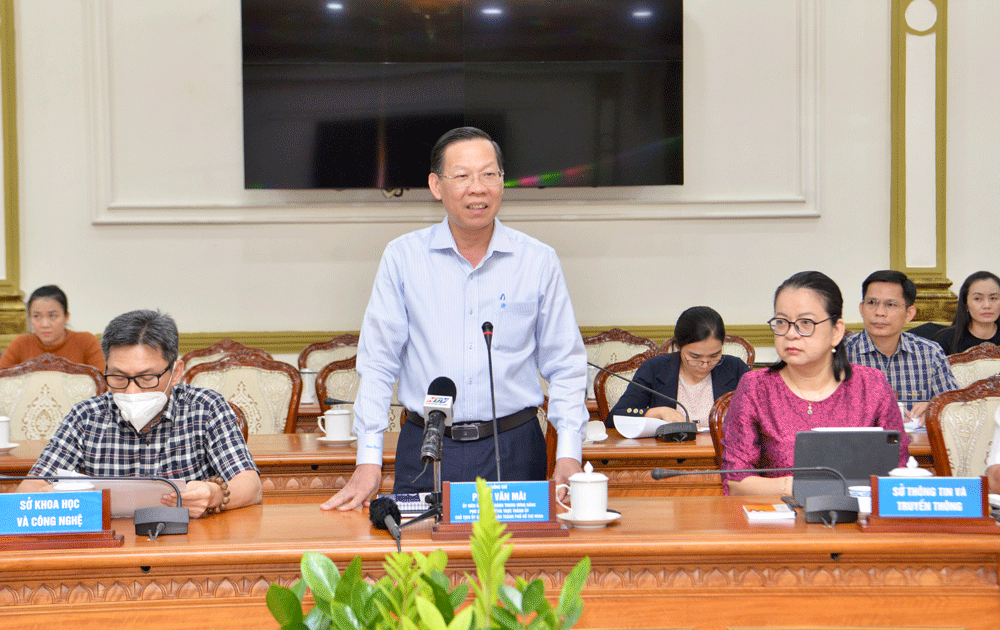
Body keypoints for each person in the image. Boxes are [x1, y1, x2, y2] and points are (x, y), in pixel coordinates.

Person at [321, 127, 588, 511]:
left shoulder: (537, 261)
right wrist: (368, 460)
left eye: (489, 174)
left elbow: (566, 363)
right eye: (462, 176)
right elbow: (378, 363)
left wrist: (569, 453)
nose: (477, 188)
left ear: (502, 182)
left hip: (515, 447)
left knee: (515, 551)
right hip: (426, 447)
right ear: (436, 185)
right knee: (417, 549)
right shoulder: (403, 258)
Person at [16, 310, 262, 518]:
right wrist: (47, 496)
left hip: (187, 543)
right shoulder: (85, 417)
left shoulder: (206, 408)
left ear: (176, 372)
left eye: (146, 378)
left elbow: (251, 486)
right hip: (109, 547)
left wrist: (215, 495)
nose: (131, 391)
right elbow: (30, 487)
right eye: (118, 377)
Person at [721, 271, 908, 496]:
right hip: (782, 514)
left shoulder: (871, 385)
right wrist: (803, 487)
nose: (791, 334)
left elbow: (898, 471)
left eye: (805, 323)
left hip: (860, 515)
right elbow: (736, 482)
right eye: (781, 322)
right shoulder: (756, 387)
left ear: (836, 331)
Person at [605, 306, 749, 428]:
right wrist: (659, 413)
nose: (705, 365)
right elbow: (614, 418)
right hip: (669, 451)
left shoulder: (735, 368)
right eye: (695, 357)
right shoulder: (655, 368)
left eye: (714, 356)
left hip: (722, 451)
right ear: (678, 346)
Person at [844, 270, 959, 421]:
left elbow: (955, 407)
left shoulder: (930, 353)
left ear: (909, 314)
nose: (879, 312)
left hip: (915, 436)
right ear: (861, 308)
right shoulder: (841, 352)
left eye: (891, 304)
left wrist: (935, 408)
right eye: (872, 303)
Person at [0, 285, 105, 371]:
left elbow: (105, 382)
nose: (45, 324)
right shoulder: (20, 344)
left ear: (66, 317)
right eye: (36, 316)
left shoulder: (86, 342)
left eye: (53, 316)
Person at [936, 271, 1000, 355]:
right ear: (965, 303)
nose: (987, 305)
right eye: (977, 299)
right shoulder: (946, 339)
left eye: (993, 298)